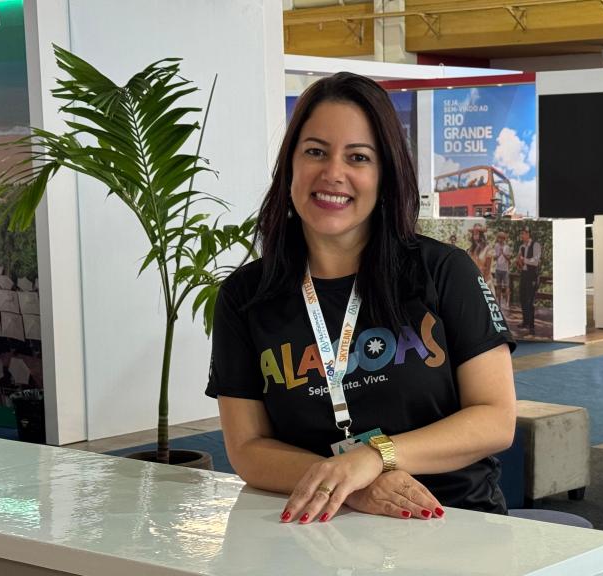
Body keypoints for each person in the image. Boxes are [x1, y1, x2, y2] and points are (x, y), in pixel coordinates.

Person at [206, 72, 516, 526]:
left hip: (452, 521)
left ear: (384, 175)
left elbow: (495, 419)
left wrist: (373, 458)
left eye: (358, 157)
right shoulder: (245, 296)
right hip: (321, 526)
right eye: (315, 151)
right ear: (289, 166)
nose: (333, 173)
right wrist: (348, 482)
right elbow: (247, 449)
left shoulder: (443, 271)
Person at [516, 226, 541, 335]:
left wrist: (524, 260)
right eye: (521, 234)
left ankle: (531, 326)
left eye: (523, 233)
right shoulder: (521, 247)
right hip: (524, 275)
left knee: (530, 301)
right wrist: (518, 262)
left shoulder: (536, 245)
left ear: (528, 234)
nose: (521, 236)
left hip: (532, 276)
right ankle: (525, 322)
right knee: (522, 299)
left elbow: (535, 262)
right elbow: (519, 261)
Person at [492, 231, 513, 310]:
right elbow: (494, 258)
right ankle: (498, 303)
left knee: (507, 287)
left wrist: (503, 253)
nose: (500, 239)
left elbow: (509, 259)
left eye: (502, 238)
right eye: (499, 238)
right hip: (498, 269)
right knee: (498, 286)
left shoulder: (507, 247)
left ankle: (507, 304)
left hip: (505, 270)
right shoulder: (496, 246)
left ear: (504, 239)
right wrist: (498, 254)